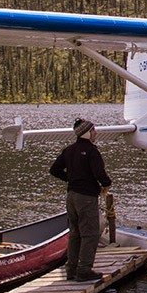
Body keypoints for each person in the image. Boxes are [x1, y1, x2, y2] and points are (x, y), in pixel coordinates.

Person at [50, 118, 112, 281]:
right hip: (86, 197)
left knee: (75, 233)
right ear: (86, 133)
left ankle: (71, 270)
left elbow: (54, 170)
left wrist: (70, 178)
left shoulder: (69, 150)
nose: (95, 133)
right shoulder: (92, 151)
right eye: (93, 130)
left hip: (71, 196)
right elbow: (100, 174)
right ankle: (84, 270)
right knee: (90, 233)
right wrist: (107, 183)